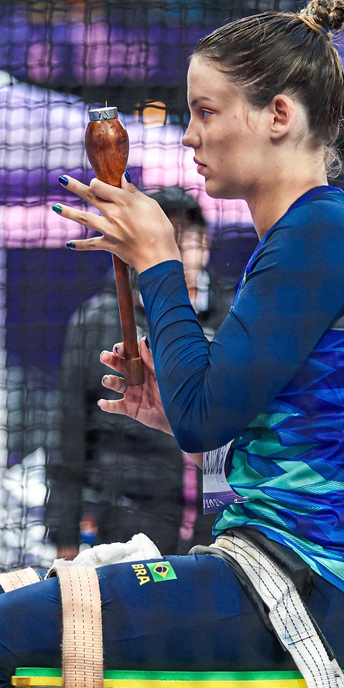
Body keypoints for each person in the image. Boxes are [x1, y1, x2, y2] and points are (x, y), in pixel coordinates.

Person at [0, 0, 344, 688]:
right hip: (284, 572)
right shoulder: (315, 233)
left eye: (206, 111)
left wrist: (158, 261)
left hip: (310, 587)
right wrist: (170, 399)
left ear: (279, 115)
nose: (189, 135)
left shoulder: (325, 230)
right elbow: (219, 414)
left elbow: (205, 417)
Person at [50, 185, 233, 558]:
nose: (175, 254)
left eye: (184, 241)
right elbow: (69, 437)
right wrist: (64, 536)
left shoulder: (236, 314)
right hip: (126, 522)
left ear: (206, 245)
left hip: (217, 524)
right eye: (162, 240)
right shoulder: (98, 320)